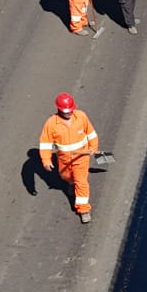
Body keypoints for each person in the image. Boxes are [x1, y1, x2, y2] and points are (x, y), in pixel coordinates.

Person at [38, 92, 99, 223]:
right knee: (66, 177)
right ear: (59, 109)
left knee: (81, 182)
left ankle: (83, 209)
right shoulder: (51, 124)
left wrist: (93, 147)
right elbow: (45, 143)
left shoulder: (81, 117)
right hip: (64, 160)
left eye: (70, 110)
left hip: (81, 159)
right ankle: (71, 183)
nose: (69, 113)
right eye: (66, 111)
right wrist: (46, 160)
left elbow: (91, 133)